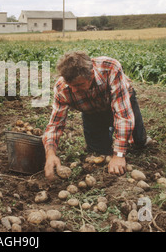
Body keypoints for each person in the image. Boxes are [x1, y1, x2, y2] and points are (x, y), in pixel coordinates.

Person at [42, 51, 151, 179]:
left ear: (91, 74)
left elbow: (123, 114)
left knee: (138, 142)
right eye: (71, 86)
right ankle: (109, 134)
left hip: (120, 101)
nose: (74, 90)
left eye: (79, 85)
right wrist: (50, 154)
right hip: (91, 112)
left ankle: (137, 137)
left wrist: (119, 155)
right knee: (98, 152)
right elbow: (55, 125)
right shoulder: (62, 89)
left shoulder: (110, 67)